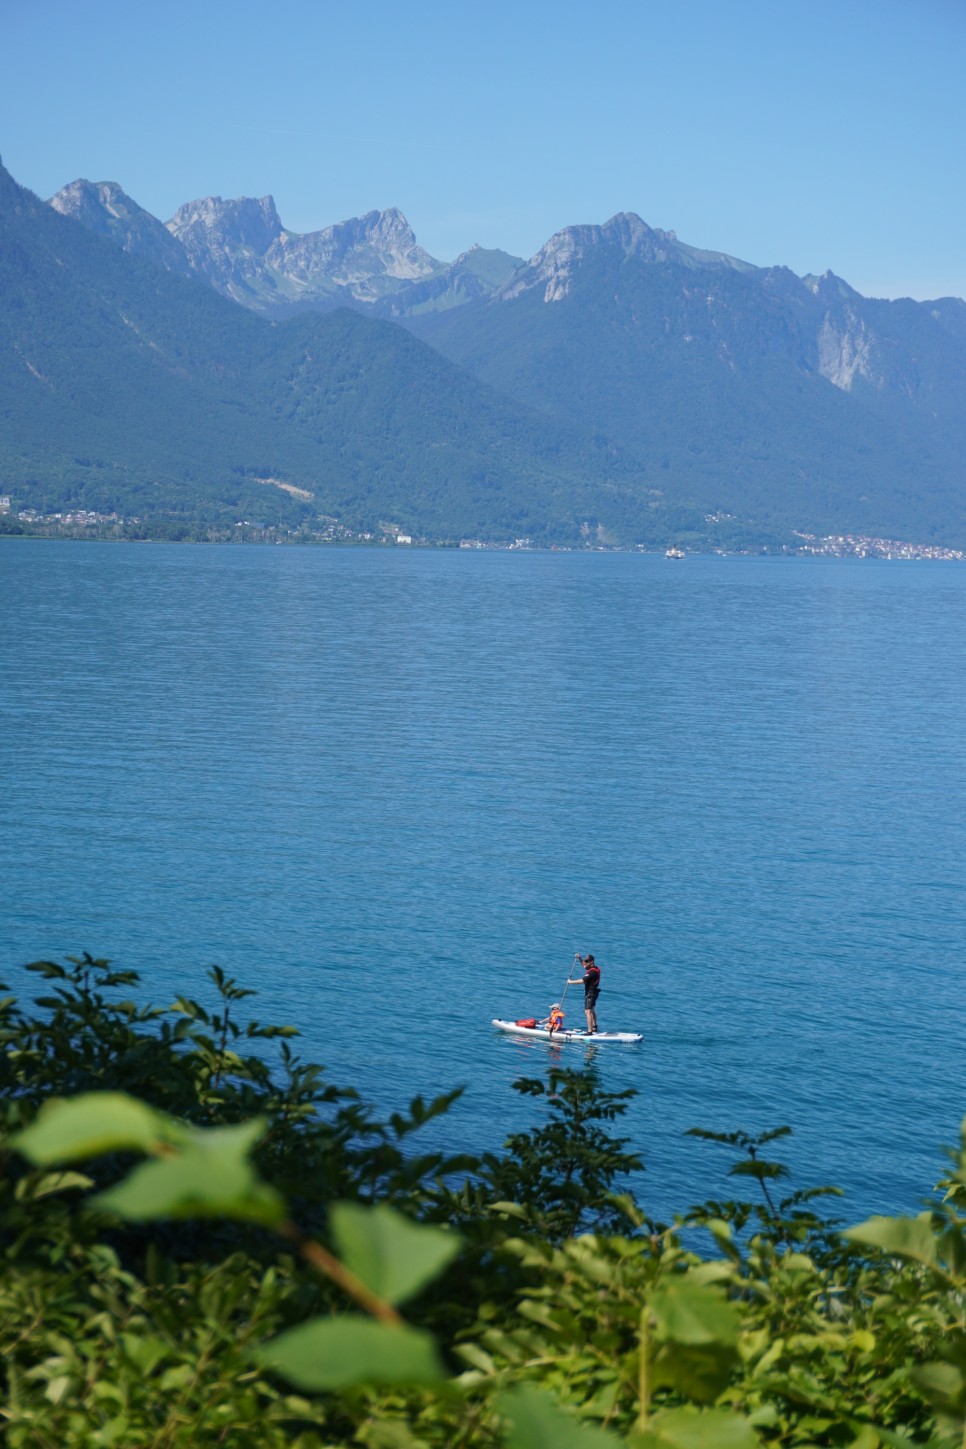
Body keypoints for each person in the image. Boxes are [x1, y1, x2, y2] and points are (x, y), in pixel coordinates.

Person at [568, 953, 600, 1034]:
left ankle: (589, 1032)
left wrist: (570, 982)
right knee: (592, 1010)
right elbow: (584, 966)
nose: (586, 963)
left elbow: (582, 981)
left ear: (592, 962)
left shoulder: (592, 972)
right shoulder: (595, 968)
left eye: (588, 961)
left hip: (590, 993)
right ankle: (594, 1027)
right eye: (586, 961)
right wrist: (579, 958)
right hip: (594, 992)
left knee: (587, 1011)